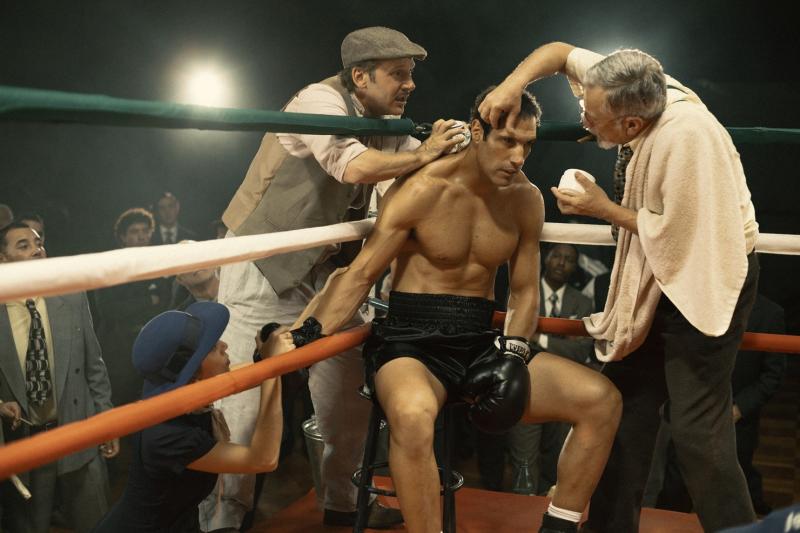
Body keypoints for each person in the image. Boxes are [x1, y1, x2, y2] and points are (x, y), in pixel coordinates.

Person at [286, 87, 621, 533]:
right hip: (410, 343)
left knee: (601, 401)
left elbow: (523, 292)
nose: (519, 156)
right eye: (507, 141)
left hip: (479, 341)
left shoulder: (526, 199)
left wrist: (514, 355)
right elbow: (361, 273)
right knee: (412, 415)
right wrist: (304, 337)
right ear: (478, 132)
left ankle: (558, 527)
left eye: (528, 144)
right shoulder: (422, 188)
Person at [480, 42, 760, 532]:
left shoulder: (687, 137)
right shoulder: (628, 84)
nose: (584, 122)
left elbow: (686, 235)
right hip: (652, 274)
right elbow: (561, 52)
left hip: (708, 270)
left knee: (697, 429)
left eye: (592, 117)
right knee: (624, 408)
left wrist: (599, 208)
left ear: (632, 124)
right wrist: (513, 85)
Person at [205, 26, 465, 530]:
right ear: (360, 76)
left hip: (333, 278)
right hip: (262, 268)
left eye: (411, 74)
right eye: (398, 74)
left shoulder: (387, 120)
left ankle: (345, 505)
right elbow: (353, 166)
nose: (409, 84)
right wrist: (428, 152)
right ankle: (223, 520)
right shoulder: (319, 100)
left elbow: (425, 163)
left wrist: (469, 140)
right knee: (242, 408)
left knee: (347, 399)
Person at [93, 301, 286, 532]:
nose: (225, 345)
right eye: (214, 347)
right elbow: (263, 459)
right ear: (193, 374)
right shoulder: (168, 434)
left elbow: (236, 376)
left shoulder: (182, 396)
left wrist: (265, 360)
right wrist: (273, 368)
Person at [0, 222, 118, 533]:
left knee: (96, 523)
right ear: (3, 259)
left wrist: (107, 421)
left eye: (38, 242)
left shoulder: (71, 294)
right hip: (25, 446)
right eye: (23, 245)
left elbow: (95, 364)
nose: (36, 249)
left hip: (78, 432)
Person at [647, 292, 787, 516]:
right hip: (689, 411)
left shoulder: (770, 313)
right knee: (675, 489)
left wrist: (739, 409)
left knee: (728, 492)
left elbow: (772, 375)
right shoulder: (695, 300)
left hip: (736, 421)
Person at [508, 242, 596, 496]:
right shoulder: (522, 293)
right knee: (524, 461)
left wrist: (539, 337)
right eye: (557, 255)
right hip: (525, 387)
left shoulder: (582, 302)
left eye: (568, 259)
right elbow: (514, 335)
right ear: (546, 257)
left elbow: (581, 351)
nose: (561, 262)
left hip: (565, 393)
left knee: (556, 463)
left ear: (574, 266)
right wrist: (559, 342)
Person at [93, 207, 163, 406]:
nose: (141, 236)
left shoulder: (160, 262)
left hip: (152, 346)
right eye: (134, 231)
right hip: (118, 350)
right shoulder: (110, 266)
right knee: (120, 406)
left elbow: (165, 305)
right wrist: (148, 301)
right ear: (122, 237)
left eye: (144, 230)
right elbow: (108, 310)